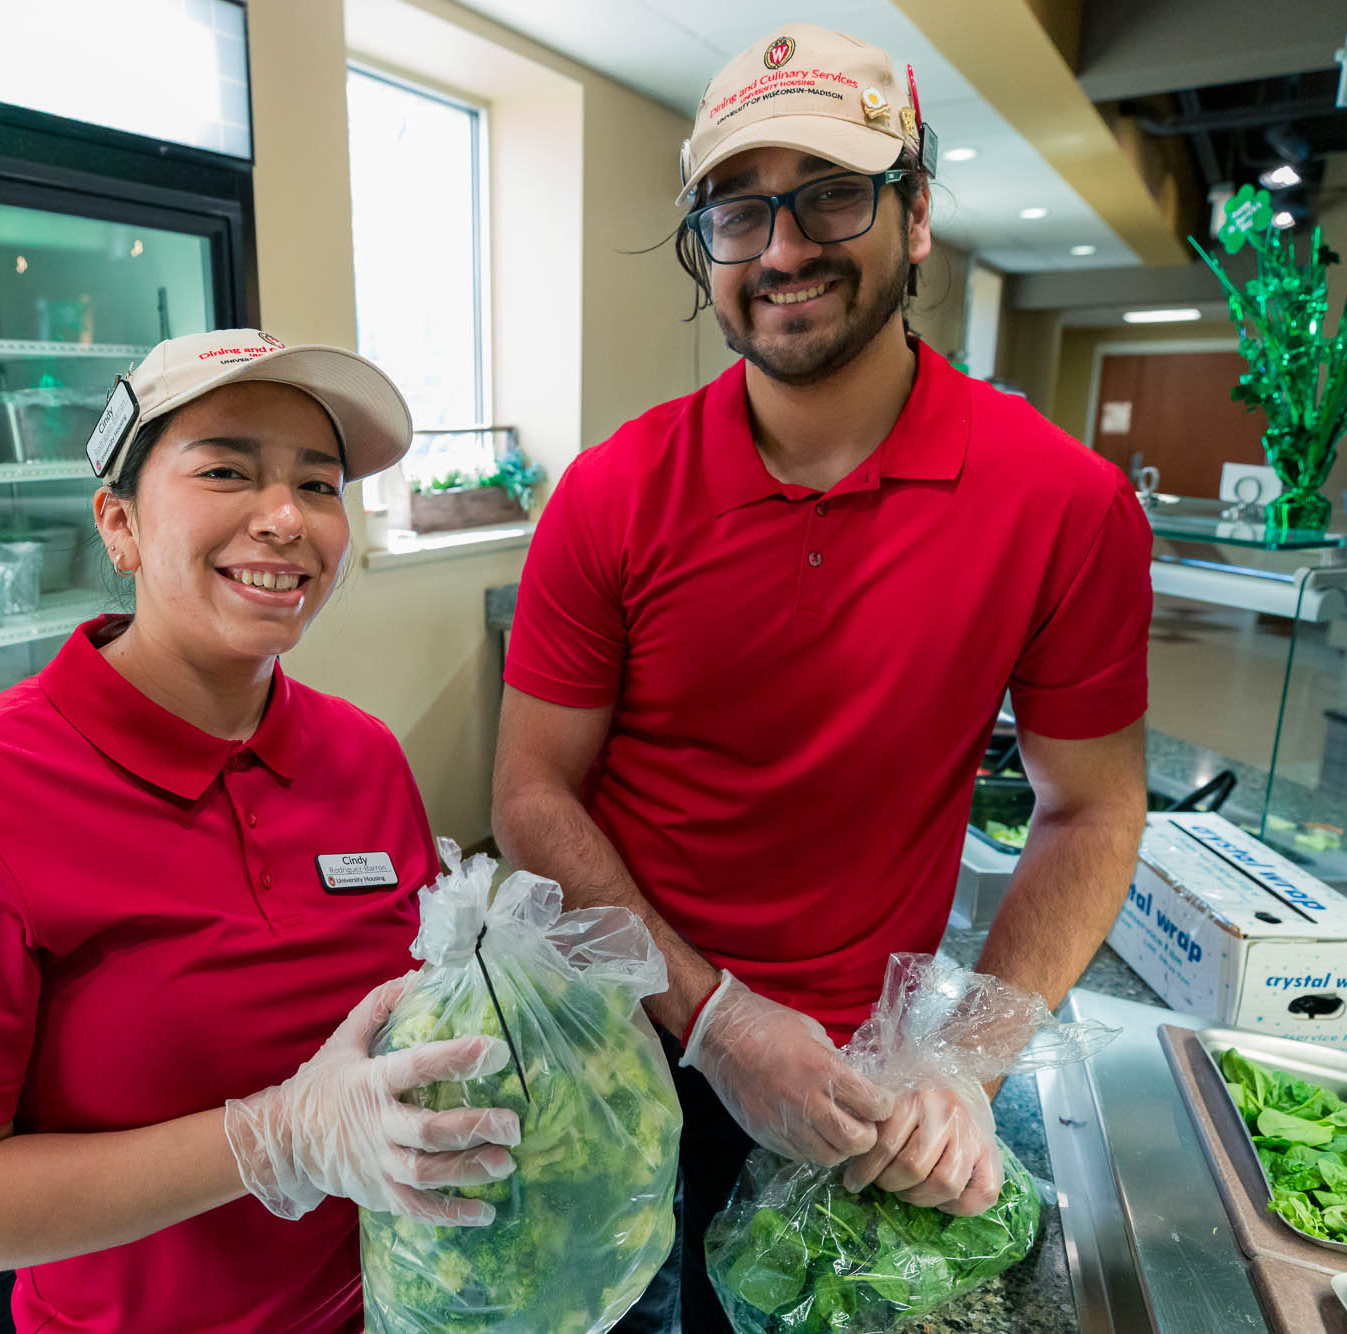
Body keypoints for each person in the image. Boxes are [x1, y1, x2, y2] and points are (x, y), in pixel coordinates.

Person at [492, 23, 1153, 1332]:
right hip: (611, 1033)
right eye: (739, 211)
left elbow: (1092, 805)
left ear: (915, 218)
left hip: (862, 1073)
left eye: (831, 194)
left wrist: (964, 1064)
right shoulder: (613, 494)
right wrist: (716, 1018)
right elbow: (529, 793)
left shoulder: (1064, 504)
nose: (783, 248)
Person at [0, 329, 522, 1334]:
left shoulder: (362, 756)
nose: (285, 516)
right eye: (224, 469)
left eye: (319, 483)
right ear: (118, 525)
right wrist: (271, 1137)